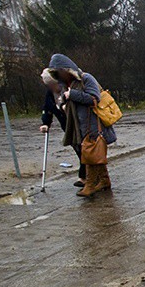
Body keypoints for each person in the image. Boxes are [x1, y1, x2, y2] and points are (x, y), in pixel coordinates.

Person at [47, 54, 117, 197]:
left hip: (94, 123)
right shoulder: (67, 84)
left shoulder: (86, 79)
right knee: (94, 152)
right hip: (81, 124)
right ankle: (104, 180)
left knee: (89, 152)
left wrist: (72, 94)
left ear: (66, 70)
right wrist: (63, 103)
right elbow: (63, 101)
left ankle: (90, 184)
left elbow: (94, 99)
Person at [39, 68, 87, 187]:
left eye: (53, 84)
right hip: (67, 127)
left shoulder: (70, 87)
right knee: (79, 150)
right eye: (49, 85)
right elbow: (47, 108)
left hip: (80, 125)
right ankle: (87, 176)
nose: (52, 86)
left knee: (84, 150)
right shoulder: (51, 94)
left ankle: (85, 177)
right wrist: (45, 123)